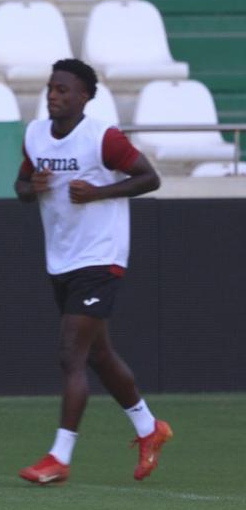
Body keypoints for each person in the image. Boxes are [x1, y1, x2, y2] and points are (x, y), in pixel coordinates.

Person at [16, 58, 169, 485]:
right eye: (51, 88)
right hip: (62, 257)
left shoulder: (102, 137)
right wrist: (35, 187)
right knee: (98, 355)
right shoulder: (35, 135)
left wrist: (100, 192)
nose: (54, 96)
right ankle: (148, 428)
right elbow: (21, 187)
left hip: (101, 256)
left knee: (70, 354)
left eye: (64, 90)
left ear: (85, 96)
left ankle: (59, 458)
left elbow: (149, 178)